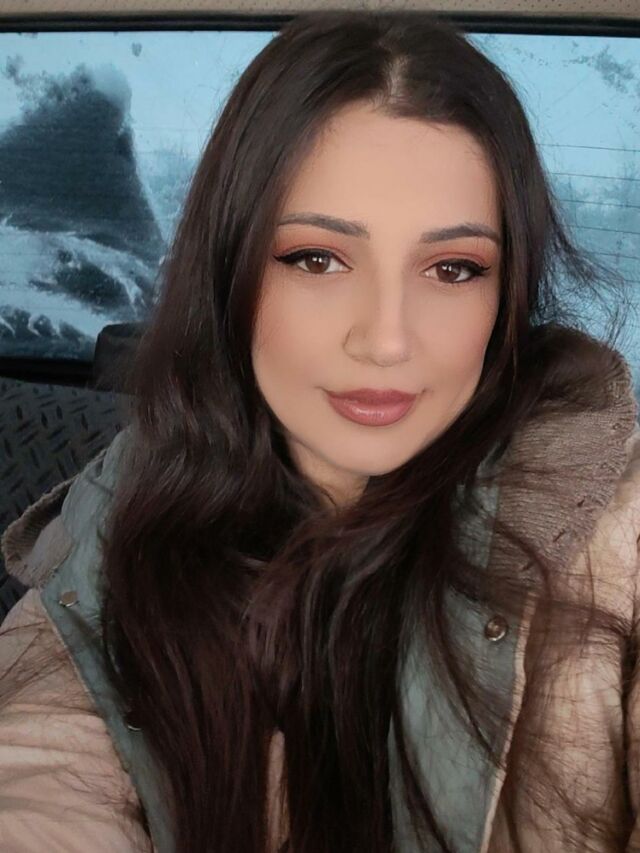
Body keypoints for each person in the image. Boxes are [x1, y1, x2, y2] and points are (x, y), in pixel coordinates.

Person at [0, 9, 639, 853]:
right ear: (229, 270)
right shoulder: (125, 506)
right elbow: (41, 764)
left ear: (507, 294)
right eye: (317, 259)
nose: (385, 340)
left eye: (453, 269)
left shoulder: (613, 524)